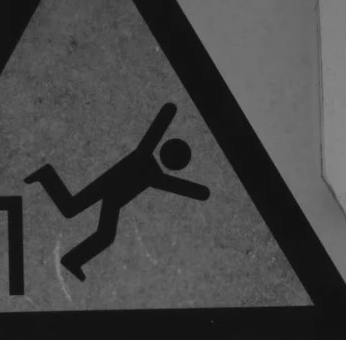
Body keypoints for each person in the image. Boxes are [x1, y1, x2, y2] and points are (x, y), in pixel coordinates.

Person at [24, 102, 210, 278]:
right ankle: (46, 176)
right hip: (106, 187)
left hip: (113, 199)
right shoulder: (146, 158)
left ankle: (71, 259)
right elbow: (162, 123)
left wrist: (170, 110)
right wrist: (170, 110)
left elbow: (190, 189)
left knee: (96, 228)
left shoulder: (151, 165)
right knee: (74, 212)